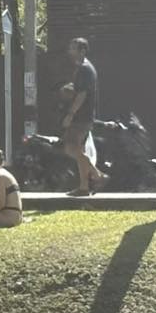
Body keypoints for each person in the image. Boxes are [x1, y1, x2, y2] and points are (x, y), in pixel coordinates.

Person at [62, 37, 106, 196]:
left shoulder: (85, 69)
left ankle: (97, 175)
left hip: (81, 117)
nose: (70, 51)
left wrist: (70, 114)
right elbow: (78, 89)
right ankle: (85, 186)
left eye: (73, 48)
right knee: (77, 150)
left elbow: (82, 94)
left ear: (82, 51)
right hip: (82, 116)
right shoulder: (81, 68)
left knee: (72, 148)